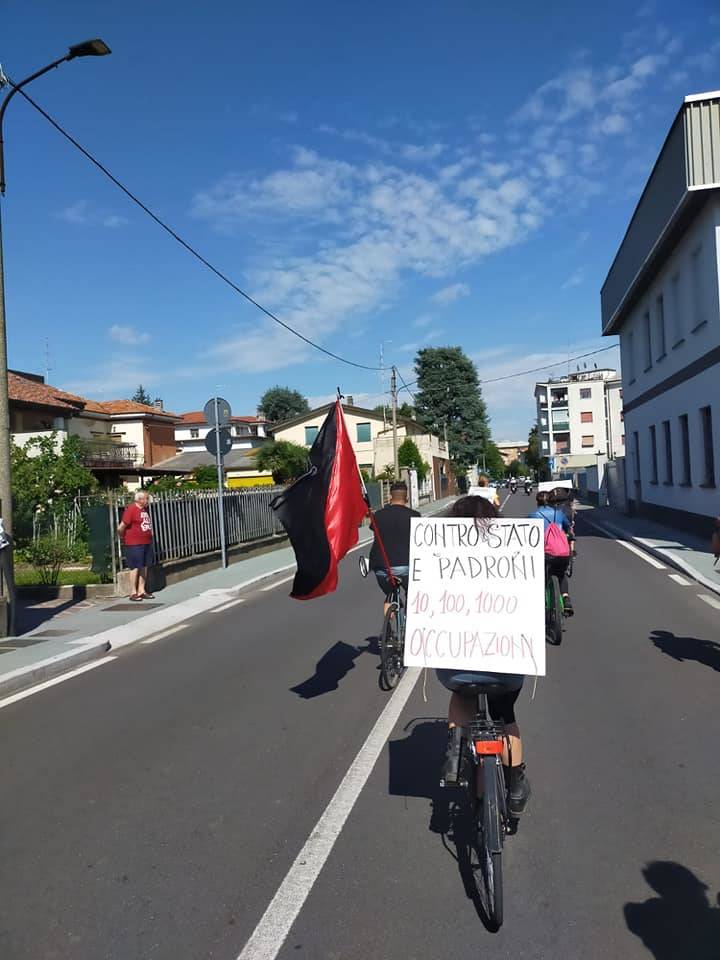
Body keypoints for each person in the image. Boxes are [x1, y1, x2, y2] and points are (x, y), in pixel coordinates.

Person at [438, 495, 531, 817]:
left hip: (456, 666)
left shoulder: (441, 556)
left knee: (460, 695)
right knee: (506, 716)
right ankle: (515, 787)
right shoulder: (513, 555)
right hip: (505, 665)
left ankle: (454, 751)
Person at [369, 481, 420, 609]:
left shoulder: (378, 515)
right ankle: (409, 618)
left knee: (390, 594)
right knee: (412, 594)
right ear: (406, 498)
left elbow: (374, 530)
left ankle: (388, 626)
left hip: (381, 567)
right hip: (406, 567)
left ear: (390, 497)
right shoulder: (414, 516)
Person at [529, 490, 574, 616]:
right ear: (550, 501)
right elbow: (568, 528)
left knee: (541, 576)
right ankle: (566, 599)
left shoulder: (533, 515)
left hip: (545, 553)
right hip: (562, 553)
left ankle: (541, 603)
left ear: (537, 502)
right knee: (561, 575)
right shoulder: (559, 514)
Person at [118, 489, 155, 601]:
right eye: (146, 498)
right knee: (135, 567)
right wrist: (122, 537)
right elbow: (121, 527)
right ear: (139, 499)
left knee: (145, 566)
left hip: (146, 542)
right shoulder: (131, 509)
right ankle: (133, 592)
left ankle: (142, 590)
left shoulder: (144, 510)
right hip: (134, 543)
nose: (148, 500)